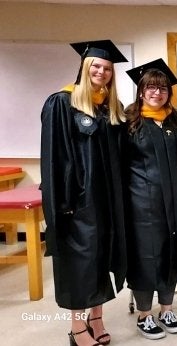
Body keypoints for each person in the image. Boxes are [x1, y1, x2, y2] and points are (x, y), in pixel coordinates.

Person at [40, 39, 128, 346]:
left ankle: (97, 318)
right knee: (80, 263)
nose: (102, 72)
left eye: (107, 69)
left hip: (106, 201)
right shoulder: (61, 103)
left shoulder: (109, 108)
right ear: (85, 67)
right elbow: (54, 157)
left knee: (100, 258)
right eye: (96, 66)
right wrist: (63, 201)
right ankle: (77, 329)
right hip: (77, 202)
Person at [122, 59, 177, 339]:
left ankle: (167, 309)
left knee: (171, 252)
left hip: (176, 200)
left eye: (162, 88)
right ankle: (144, 315)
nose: (157, 92)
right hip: (143, 203)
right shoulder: (128, 121)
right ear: (141, 91)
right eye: (151, 87)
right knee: (146, 256)